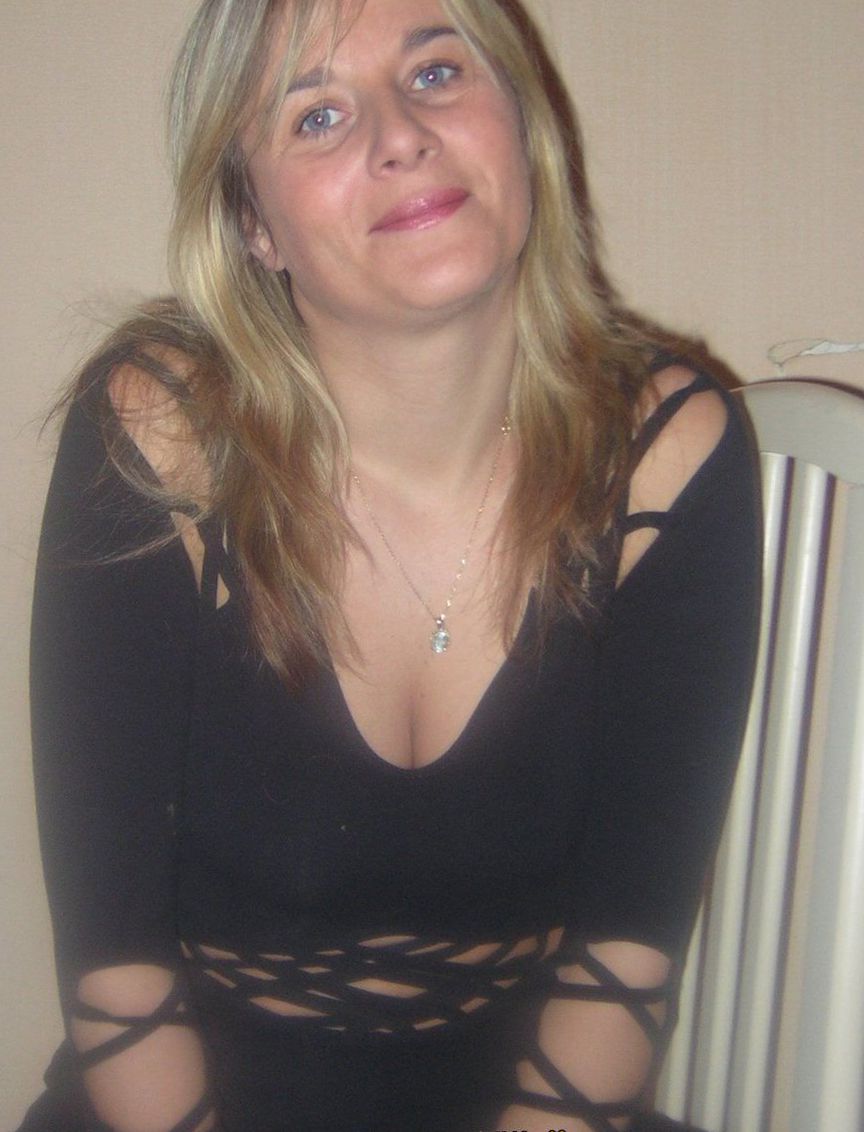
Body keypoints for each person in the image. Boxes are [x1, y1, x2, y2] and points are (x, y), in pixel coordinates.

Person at [22, 1, 760, 1130]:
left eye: (437, 72)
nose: (401, 135)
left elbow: (625, 955)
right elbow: (116, 976)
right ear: (255, 226)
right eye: (317, 115)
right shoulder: (159, 433)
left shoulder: (669, 451)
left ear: (523, 125)